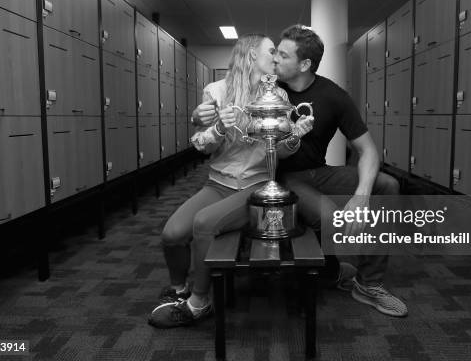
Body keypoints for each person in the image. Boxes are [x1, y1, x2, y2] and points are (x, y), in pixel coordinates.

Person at [148, 33, 314, 329]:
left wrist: (295, 137)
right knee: (171, 234)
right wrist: (219, 130)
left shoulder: (280, 96)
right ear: (251, 55)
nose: (276, 58)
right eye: (271, 52)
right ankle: (178, 289)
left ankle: (199, 302)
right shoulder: (215, 90)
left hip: (256, 185)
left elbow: (283, 153)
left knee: (204, 223)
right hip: (218, 183)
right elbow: (201, 144)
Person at [273, 25, 408, 317]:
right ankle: (330, 267)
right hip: (284, 177)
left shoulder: (333, 95)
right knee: (332, 218)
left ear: (305, 64)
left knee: (387, 186)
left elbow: (368, 150)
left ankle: (368, 284)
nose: (275, 59)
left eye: (283, 55)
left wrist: (361, 196)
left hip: (318, 172)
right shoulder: (271, 90)